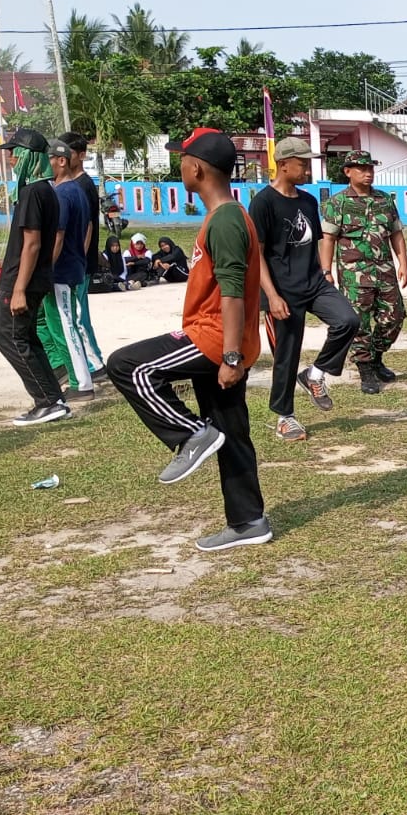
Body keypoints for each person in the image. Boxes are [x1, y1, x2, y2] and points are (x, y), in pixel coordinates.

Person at [107, 129, 271, 552]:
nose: (179, 166)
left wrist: (231, 355)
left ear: (196, 167)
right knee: (230, 431)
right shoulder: (223, 216)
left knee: (128, 365)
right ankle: (248, 521)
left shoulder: (228, 219)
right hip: (223, 339)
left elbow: (233, 291)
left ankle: (187, 435)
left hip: (215, 337)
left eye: (181, 159)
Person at [249, 135, 359, 442]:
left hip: (314, 282)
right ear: (283, 165)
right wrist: (271, 296)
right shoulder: (262, 203)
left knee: (348, 320)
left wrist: (326, 271)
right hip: (282, 291)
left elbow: (321, 239)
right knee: (287, 354)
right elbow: (256, 254)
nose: (308, 169)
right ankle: (285, 418)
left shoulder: (309, 200)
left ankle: (314, 374)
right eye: (302, 163)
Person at [0, 128, 69, 426]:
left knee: (8, 338)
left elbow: (33, 243)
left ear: (29, 156)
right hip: (31, 277)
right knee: (26, 338)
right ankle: (54, 398)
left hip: (21, 281)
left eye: (15, 152)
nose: (10, 158)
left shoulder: (33, 192)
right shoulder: (44, 190)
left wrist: (20, 287)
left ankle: (47, 401)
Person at [320, 150, 407, 393]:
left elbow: (396, 233)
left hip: (385, 270)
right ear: (348, 171)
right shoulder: (337, 203)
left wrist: (403, 263)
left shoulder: (385, 200)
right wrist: (326, 271)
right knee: (359, 322)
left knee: (394, 316)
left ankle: (376, 356)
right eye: (361, 168)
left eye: (370, 168)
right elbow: (328, 239)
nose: (367, 173)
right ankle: (365, 369)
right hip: (353, 274)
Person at [37, 137, 105, 399]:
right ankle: (80, 377)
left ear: (62, 161)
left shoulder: (64, 193)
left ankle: (81, 382)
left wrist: (47, 267)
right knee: (66, 324)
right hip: (72, 267)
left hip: (62, 272)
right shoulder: (76, 190)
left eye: (50, 161)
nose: (47, 166)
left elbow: (58, 236)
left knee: (66, 326)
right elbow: (86, 227)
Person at [57, 132, 105, 363]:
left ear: (82, 155)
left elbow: (87, 228)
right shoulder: (73, 184)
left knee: (78, 316)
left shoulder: (83, 185)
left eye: (70, 152)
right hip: (77, 263)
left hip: (80, 264)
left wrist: (80, 260)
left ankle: (95, 362)